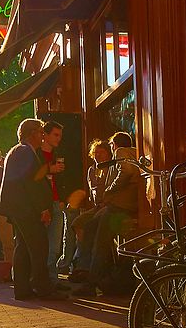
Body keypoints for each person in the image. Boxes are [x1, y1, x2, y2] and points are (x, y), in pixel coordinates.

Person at [0, 118, 65, 300]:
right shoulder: (25, 152)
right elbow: (31, 183)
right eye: (41, 132)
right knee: (39, 246)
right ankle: (43, 288)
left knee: (23, 247)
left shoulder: (20, 151)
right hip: (25, 207)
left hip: (19, 206)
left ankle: (22, 289)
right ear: (32, 133)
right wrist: (43, 209)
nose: (43, 135)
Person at [74, 132, 141, 297]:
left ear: (114, 145)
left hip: (118, 207)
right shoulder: (135, 152)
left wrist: (110, 189)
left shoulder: (121, 152)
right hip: (124, 207)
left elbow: (127, 171)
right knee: (90, 229)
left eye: (111, 146)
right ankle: (94, 275)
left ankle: (91, 282)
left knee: (100, 245)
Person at [67, 139, 113, 282]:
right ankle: (83, 259)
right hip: (96, 206)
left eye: (102, 152)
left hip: (109, 206)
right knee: (77, 223)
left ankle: (85, 265)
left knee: (90, 225)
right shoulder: (92, 170)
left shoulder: (113, 168)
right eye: (96, 152)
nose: (98, 155)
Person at [38, 120, 67, 288]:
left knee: (55, 245)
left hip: (56, 202)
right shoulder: (36, 154)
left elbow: (63, 178)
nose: (58, 138)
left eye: (60, 135)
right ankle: (42, 278)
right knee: (41, 243)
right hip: (43, 204)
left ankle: (52, 278)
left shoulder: (59, 154)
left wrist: (63, 199)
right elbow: (32, 177)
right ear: (45, 135)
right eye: (55, 135)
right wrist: (49, 170)